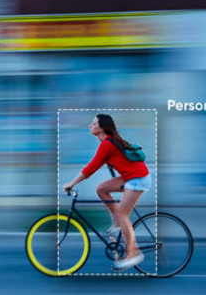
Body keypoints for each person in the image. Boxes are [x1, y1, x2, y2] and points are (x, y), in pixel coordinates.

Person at [63, 114, 151, 270]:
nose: (90, 125)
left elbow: (91, 168)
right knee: (101, 189)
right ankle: (117, 222)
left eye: (94, 123)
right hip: (130, 177)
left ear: (102, 128)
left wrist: (72, 183)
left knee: (124, 215)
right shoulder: (108, 143)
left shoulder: (107, 144)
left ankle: (133, 253)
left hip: (138, 179)